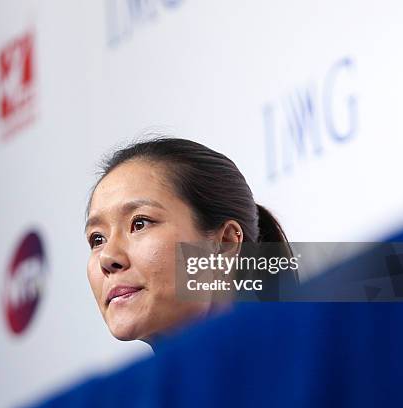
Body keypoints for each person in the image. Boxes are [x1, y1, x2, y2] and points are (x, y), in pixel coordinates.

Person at [83, 137, 294, 349]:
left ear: (225, 243)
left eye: (140, 223)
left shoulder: (309, 370)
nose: (107, 258)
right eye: (97, 239)